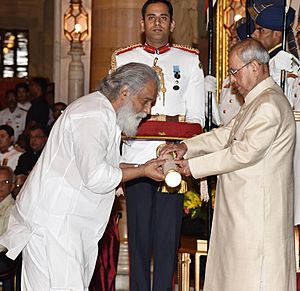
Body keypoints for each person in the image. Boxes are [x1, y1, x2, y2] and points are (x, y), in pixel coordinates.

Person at [0, 62, 166, 290]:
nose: (147, 110)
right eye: (146, 101)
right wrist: (143, 171)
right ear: (125, 91)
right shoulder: (93, 115)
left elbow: (107, 165)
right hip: (57, 224)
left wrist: (144, 166)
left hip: (63, 223)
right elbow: (97, 176)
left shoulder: (102, 112)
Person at [159, 38, 296, 291]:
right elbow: (226, 134)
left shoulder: (269, 105)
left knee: (253, 280)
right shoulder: (258, 101)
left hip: (257, 217)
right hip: (244, 212)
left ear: (255, 67)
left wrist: (192, 167)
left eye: (235, 72)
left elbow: (244, 153)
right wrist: (186, 147)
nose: (232, 80)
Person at [111, 0, 205, 289]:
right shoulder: (124, 59)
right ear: (142, 24)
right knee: (138, 240)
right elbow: (115, 115)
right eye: (151, 17)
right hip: (136, 159)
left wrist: (177, 145)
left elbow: (197, 117)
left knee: (167, 240)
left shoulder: (189, 60)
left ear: (172, 24)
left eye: (163, 17)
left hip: (171, 160)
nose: (157, 23)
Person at [249, 0, 300, 231]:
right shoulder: (264, 62)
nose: (254, 34)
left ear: (277, 34)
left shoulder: (284, 65)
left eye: (261, 30)